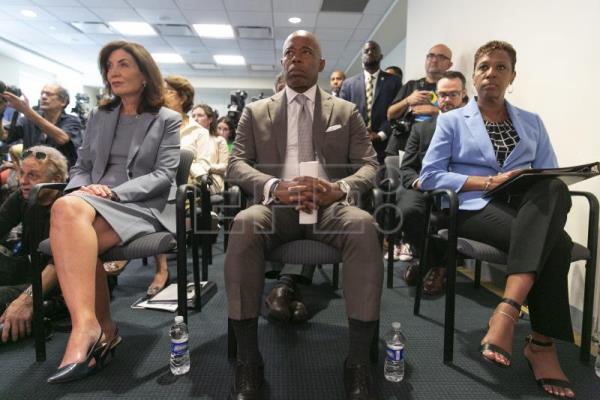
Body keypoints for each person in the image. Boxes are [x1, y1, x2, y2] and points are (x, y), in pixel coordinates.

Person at [225, 30, 382, 399]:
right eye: (289, 53)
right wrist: (272, 187)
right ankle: (249, 359)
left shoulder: (345, 111)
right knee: (244, 223)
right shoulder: (256, 111)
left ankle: (357, 361)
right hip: (276, 208)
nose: (296, 58)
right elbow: (235, 164)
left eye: (306, 52)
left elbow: (370, 165)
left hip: (329, 208)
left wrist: (339, 189)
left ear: (321, 64)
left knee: (364, 226)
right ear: (282, 62)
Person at [419, 40, 575, 398]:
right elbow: (429, 176)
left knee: (554, 190)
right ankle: (541, 345)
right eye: (484, 66)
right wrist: (487, 181)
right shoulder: (452, 121)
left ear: (512, 76)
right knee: (559, 245)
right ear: (474, 76)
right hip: (472, 204)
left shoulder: (533, 122)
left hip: (523, 206)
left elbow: (548, 174)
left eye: (501, 67)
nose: (492, 73)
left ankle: (507, 309)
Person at [46, 40, 181, 384]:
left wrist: (113, 192)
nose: (114, 72)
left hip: (141, 203)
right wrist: (82, 189)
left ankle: (96, 329)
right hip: (89, 202)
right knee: (69, 208)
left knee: (72, 226)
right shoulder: (99, 115)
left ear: (145, 73)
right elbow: (83, 165)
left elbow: (164, 176)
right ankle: (93, 326)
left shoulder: (166, 119)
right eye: (109, 66)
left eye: (123, 64)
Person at [388, 71, 468, 295]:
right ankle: (431, 261)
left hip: (459, 189)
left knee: (454, 214)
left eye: (453, 94)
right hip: (424, 186)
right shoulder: (422, 128)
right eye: (442, 94)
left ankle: (431, 265)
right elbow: (408, 167)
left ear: (463, 95)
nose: (446, 100)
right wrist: (417, 183)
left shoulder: (475, 127)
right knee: (407, 210)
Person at [0, 145, 68, 343]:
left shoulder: (67, 206)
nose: (23, 181)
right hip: (33, 267)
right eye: (22, 173)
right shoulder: (23, 197)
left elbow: (58, 267)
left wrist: (26, 300)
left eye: (33, 176)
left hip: (60, 281)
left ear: (56, 181)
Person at [340, 40, 402, 163]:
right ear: (361, 56)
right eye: (366, 50)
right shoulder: (348, 84)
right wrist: (360, 133)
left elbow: (398, 111)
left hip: (385, 145)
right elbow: (342, 114)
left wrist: (381, 134)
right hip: (356, 144)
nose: (369, 52)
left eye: (373, 49)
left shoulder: (394, 81)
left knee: (382, 180)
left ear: (381, 56)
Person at [0, 84, 82, 167]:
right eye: (42, 93)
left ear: (63, 102)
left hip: (59, 176)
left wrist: (27, 111)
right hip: (31, 173)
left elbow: (62, 138)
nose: (43, 97)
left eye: (49, 94)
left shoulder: (72, 121)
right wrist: (1, 111)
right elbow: (3, 135)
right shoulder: (28, 119)